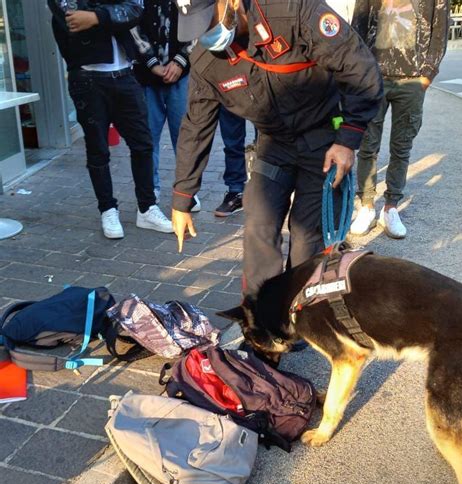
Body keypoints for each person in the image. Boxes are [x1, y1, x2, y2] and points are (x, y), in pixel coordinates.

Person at [170, 0, 382, 296]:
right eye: (196, 28)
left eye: (208, 21)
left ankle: (298, 320)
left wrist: (347, 140)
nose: (206, 34)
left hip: (323, 140)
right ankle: (261, 323)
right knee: (258, 226)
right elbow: (195, 127)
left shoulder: (293, 10)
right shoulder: (207, 63)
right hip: (273, 144)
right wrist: (182, 199)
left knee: (307, 239)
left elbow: (360, 69)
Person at [48, 0, 173, 239]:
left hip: (126, 74)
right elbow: (73, 19)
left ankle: (147, 208)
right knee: (98, 150)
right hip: (87, 78)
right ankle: (107, 208)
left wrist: (96, 17)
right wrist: (113, 14)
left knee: (143, 144)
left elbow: (135, 11)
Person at [350, 0, 449, 239]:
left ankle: (390, 207)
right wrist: (360, 70)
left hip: (412, 79)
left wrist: (427, 74)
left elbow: (440, 32)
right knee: (367, 146)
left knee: (401, 147)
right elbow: (358, 26)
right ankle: (366, 205)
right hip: (374, 76)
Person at [132, 0, 201, 217]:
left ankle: (186, 190)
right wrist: (152, 62)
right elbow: (132, 26)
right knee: (147, 138)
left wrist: (181, 61)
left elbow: (200, 24)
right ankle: (150, 190)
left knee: (183, 136)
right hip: (146, 75)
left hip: (181, 74)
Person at [214, 107, 247, 217]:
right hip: (231, 93)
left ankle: (270, 190)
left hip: (265, 92)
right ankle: (236, 191)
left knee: (267, 141)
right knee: (233, 143)